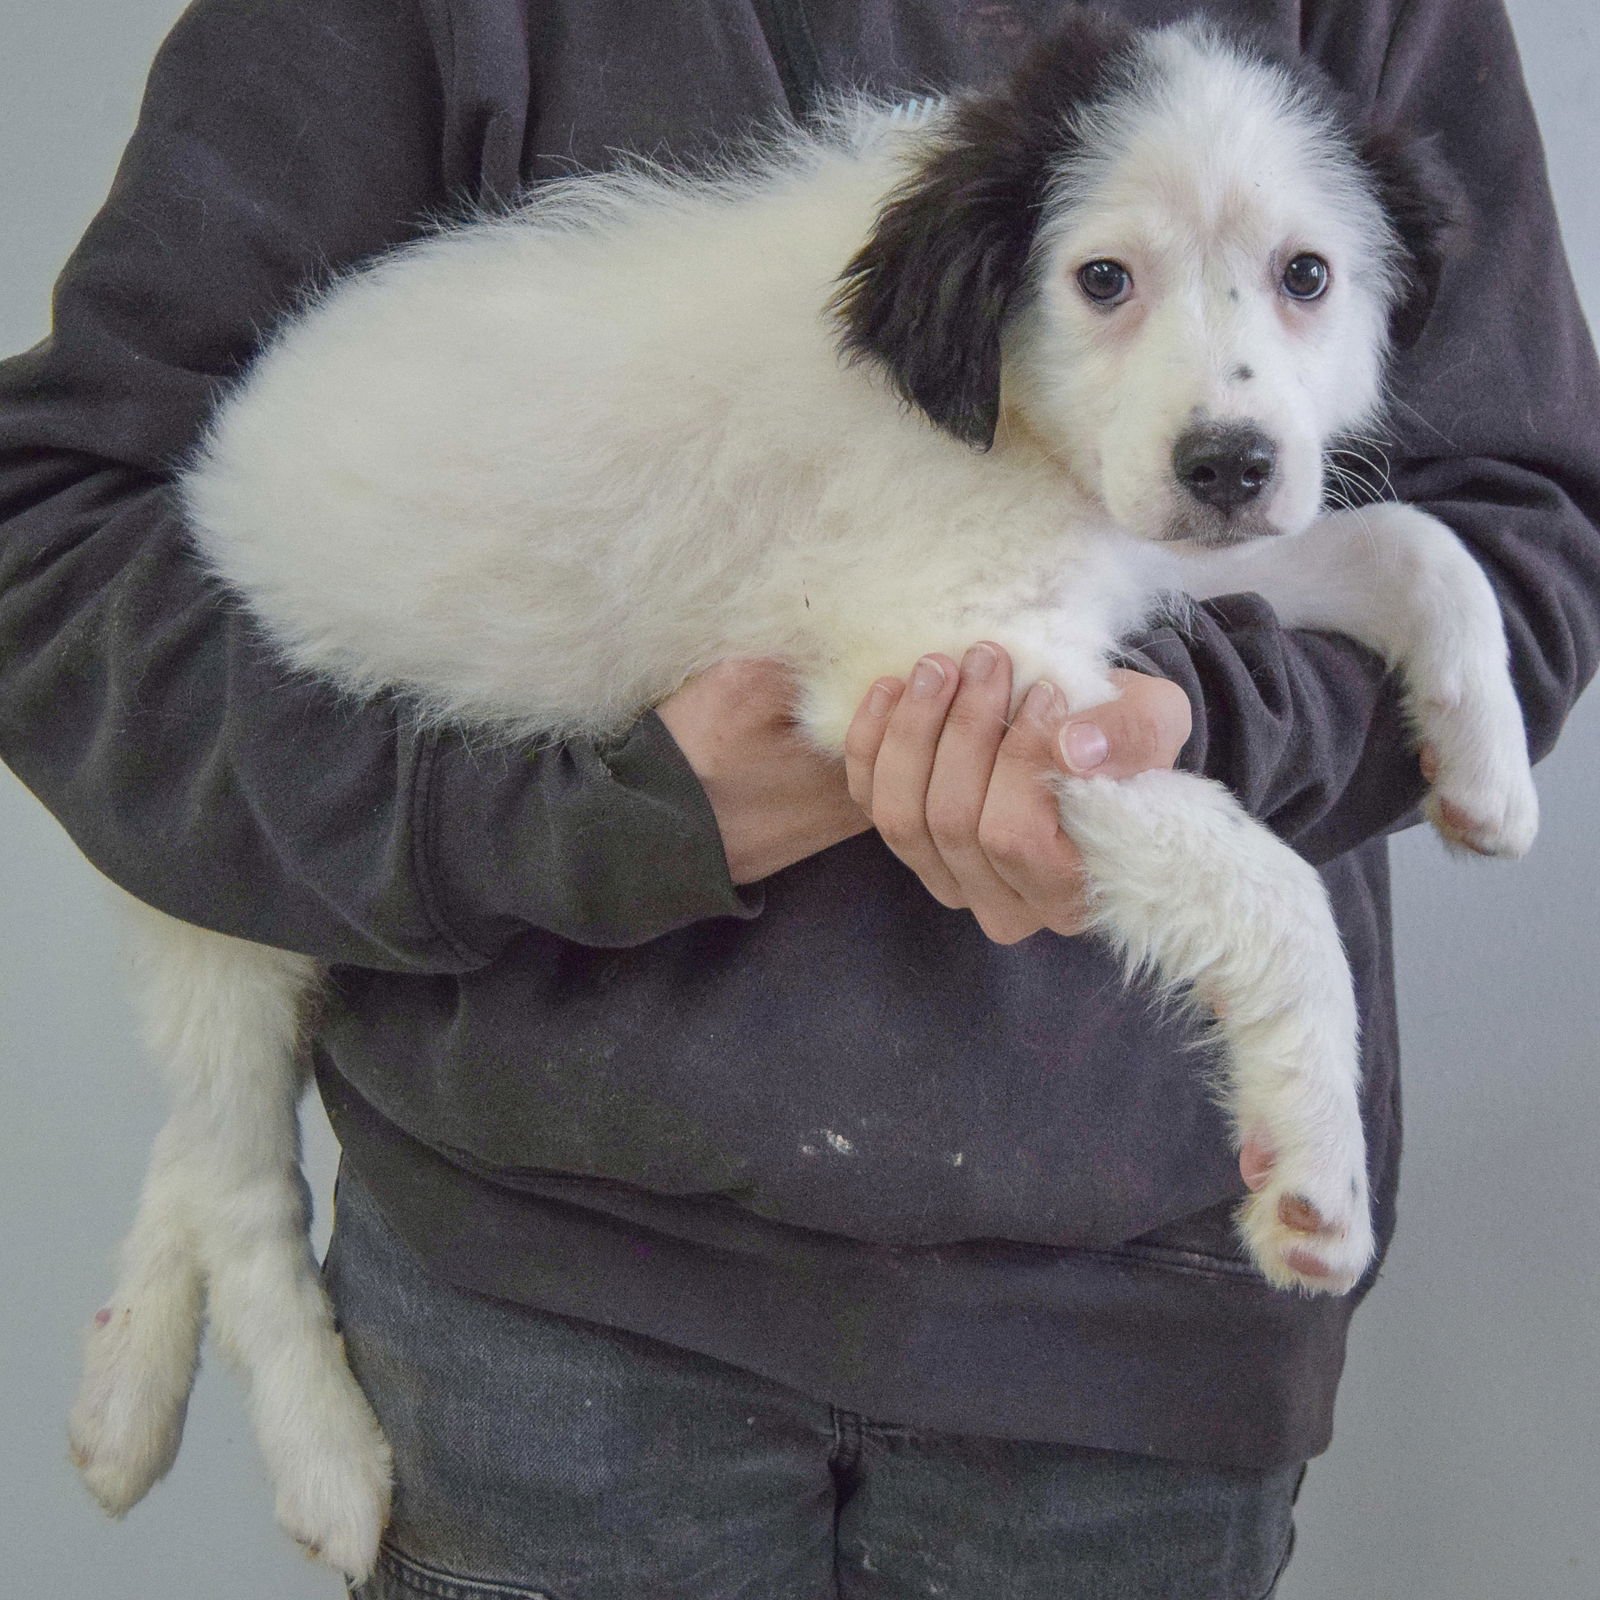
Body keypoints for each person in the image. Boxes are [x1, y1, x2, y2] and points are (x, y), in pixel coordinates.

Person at [2, 0, 1596, 1595]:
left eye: (1307, 283)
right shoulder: (931, 330)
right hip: (555, 1313)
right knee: (225, 1037)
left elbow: (1518, 508)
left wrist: (1238, 713)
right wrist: (614, 815)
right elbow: (66, 539)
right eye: (1106, 282)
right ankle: (238, 1285)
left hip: (1127, 1356)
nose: (1230, 390)